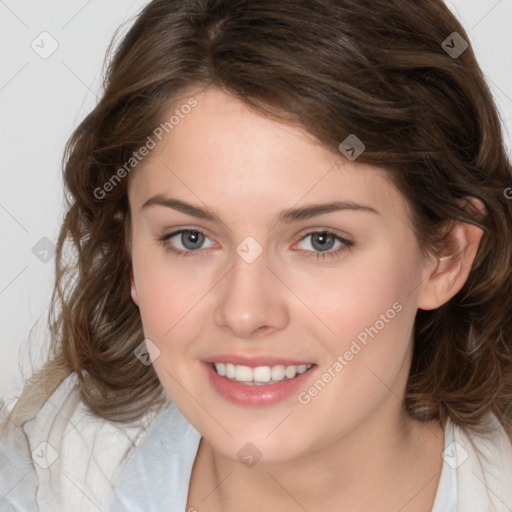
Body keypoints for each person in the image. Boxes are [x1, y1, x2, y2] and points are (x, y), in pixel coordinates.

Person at [1, 0, 512, 510]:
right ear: (128, 250)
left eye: (321, 241)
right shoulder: (36, 482)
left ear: (445, 257)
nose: (244, 313)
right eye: (190, 238)